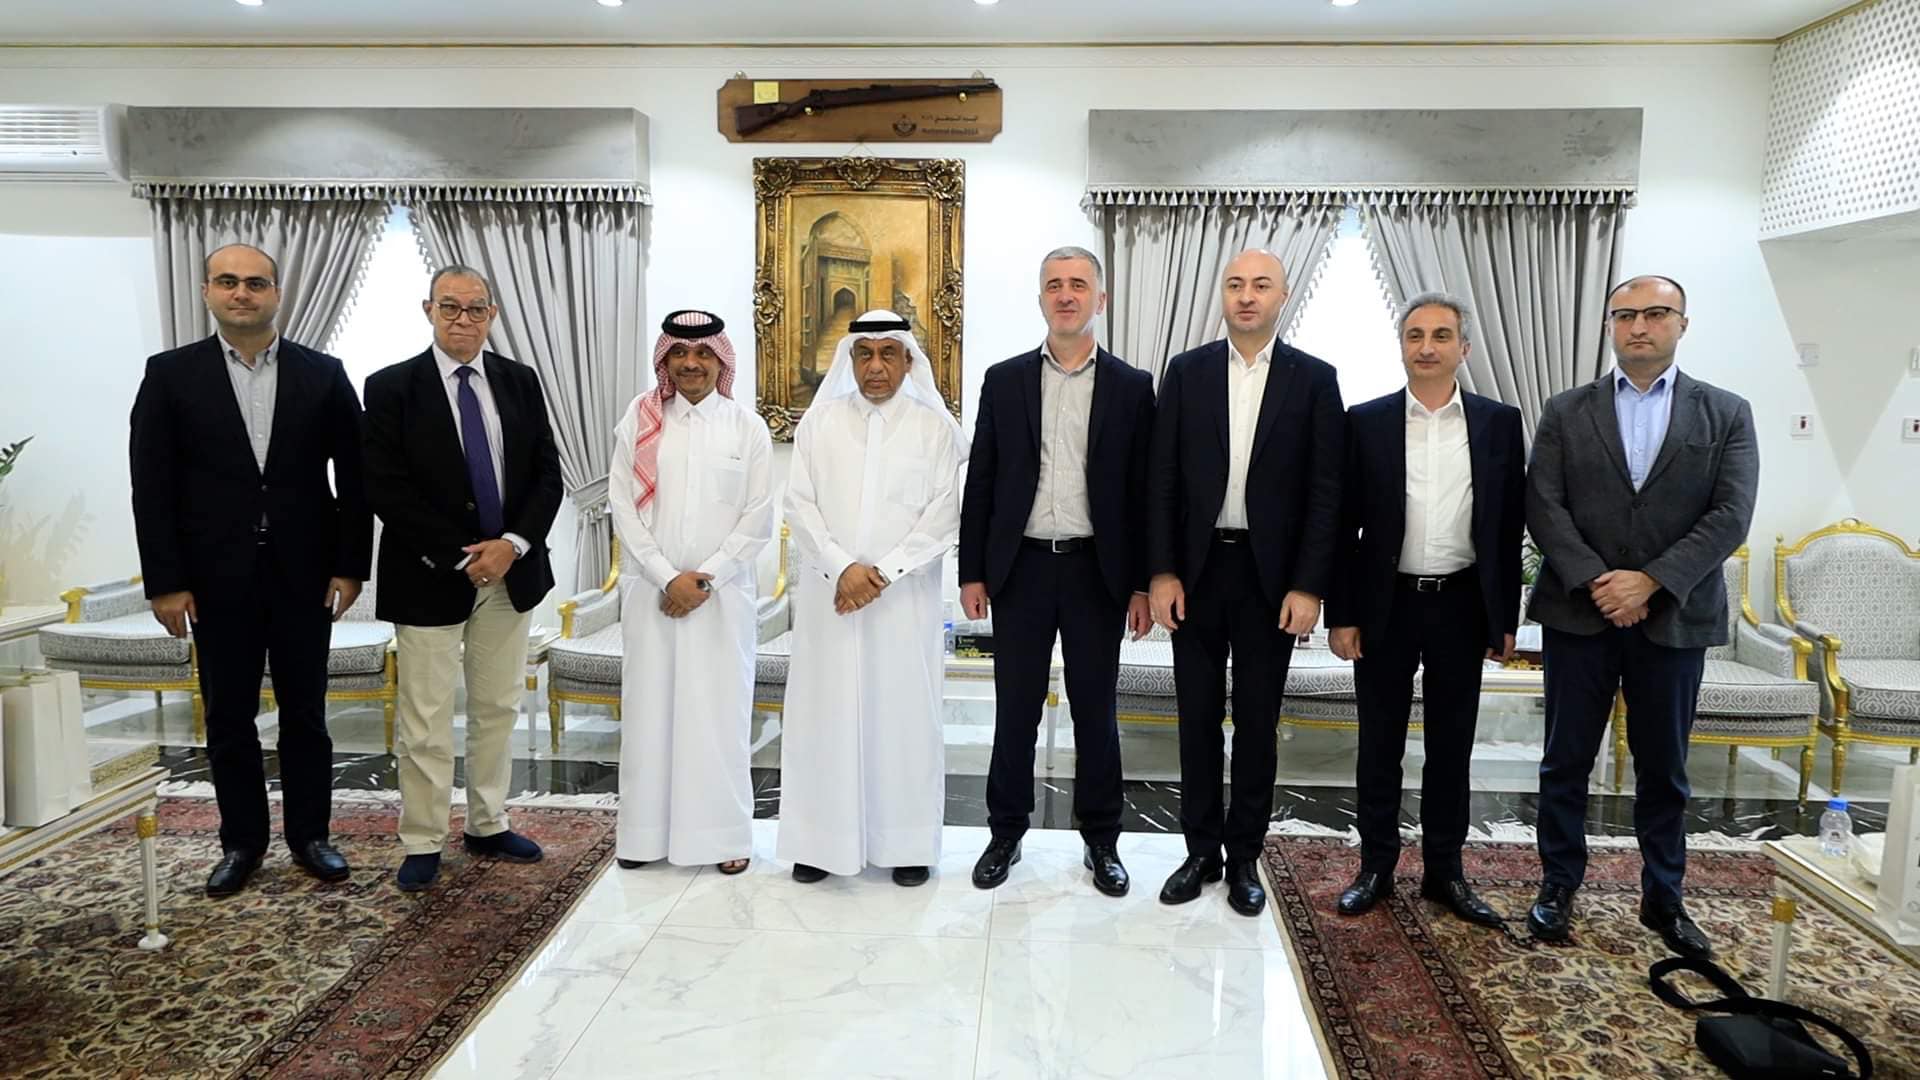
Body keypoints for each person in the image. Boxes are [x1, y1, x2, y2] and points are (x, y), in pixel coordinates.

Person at [1525, 275, 1757, 958]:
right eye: (1625, 315)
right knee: (1565, 760)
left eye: (1656, 314)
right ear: (1609, 326)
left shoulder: (1726, 412)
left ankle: (1664, 896)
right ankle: (1557, 884)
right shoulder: (1567, 409)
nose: (1639, 327)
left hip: (1673, 618)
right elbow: (1543, 504)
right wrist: (1600, 581)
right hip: (1581, 612)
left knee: (1665, 767)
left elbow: (1730, 514)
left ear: (1682, 323)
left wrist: (1651, 581)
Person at [129, 242, 372, 897]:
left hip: (304, 575)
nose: (242, 293)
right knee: (228, 717)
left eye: (256, 283)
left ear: (277, 294)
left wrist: (351, 567)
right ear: (207, 291)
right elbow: (151, 485)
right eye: (228, 281)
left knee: (307, 714)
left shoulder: (324, 374)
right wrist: (166, 581)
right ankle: (241, 843)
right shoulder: (170, 375)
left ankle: (311, 836)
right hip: (214, 579)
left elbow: (356, 480)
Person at [1147, 249, 1346, 917]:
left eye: (1261, 285)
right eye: (1235, 284)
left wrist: (1309, 586)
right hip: (1197, 573)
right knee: (1196, 720)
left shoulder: (1314, 380)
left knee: (1258, 724)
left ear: (1282, 296)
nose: (1246, 295)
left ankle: (1244, 858)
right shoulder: (1187, 372)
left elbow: (1326, 493)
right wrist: (1162, 571)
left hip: (1272, 582)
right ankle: (1200, 851)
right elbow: (1162, 478)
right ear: (1222, 295)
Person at [362, 264, 564, 892]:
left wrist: (512, 545)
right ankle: (423, 838)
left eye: (476, 309)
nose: (463, 320)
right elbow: (385, 487)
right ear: (428, 310)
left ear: (492, 316)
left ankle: (488, 822)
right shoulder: (391, 387)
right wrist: (462, 555)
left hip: (512, 574)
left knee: (497, 706)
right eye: (450, 307)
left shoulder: (520, 381)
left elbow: (546, 474)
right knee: (424, 718)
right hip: (427, 576)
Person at [959, 246, 1154, 896]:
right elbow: (982, 480)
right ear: (1041, 298)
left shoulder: (1132, 386)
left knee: (1096, 711)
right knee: (1015, 709)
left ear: (1100, 299)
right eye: (1054, 285)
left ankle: (1102, 840)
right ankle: (1005, 832)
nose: (1066, 295)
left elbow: (1145, 492)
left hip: (1097, 571)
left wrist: (1142, 583)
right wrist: (972, 571)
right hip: (1021, 570)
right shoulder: (1004, 379)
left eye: (1078, 285)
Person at [1326, 292, 1525, 927]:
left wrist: (1504, 618)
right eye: (1415, 335)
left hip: (1462, 605)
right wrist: (1342, 614)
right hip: (1386, 605)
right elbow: (1343, 526)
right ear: (1402, 346)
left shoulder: (1499, 422)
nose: (1427, 346)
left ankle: (1445, 872)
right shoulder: (1366, 421)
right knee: (1378, 743)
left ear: (1463, 348)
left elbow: (1507, 526)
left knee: (1451, 746)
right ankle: (1376, 867)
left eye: (1441, 335)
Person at [777, 310, 964, 887]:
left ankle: (906, 845)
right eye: (865, 354)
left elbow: (944, 515)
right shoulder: (820, 423)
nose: (876, 366)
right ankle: (819, 844)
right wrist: (843, 569)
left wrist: (879, 574)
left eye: (888, 353)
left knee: (902, 718)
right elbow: (798, 505)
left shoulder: (936, 430)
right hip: (831, 599)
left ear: (909, 360)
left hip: (902, 602)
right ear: (850, 359)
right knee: (824, 716)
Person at [607, 310, 773, 874]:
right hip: (652, 596)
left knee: (717, 717)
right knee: (649, 715)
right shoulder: (641, 418)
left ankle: (723, 839)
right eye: (679, 353)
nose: (691, 364)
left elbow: (757, 518)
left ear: (721, 360)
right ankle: (643, 837)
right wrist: (665, 576)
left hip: (721, 600)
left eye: (703, 353)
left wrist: (704, 580)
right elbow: (622, 506)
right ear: (666, 359)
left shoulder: (746, 427)